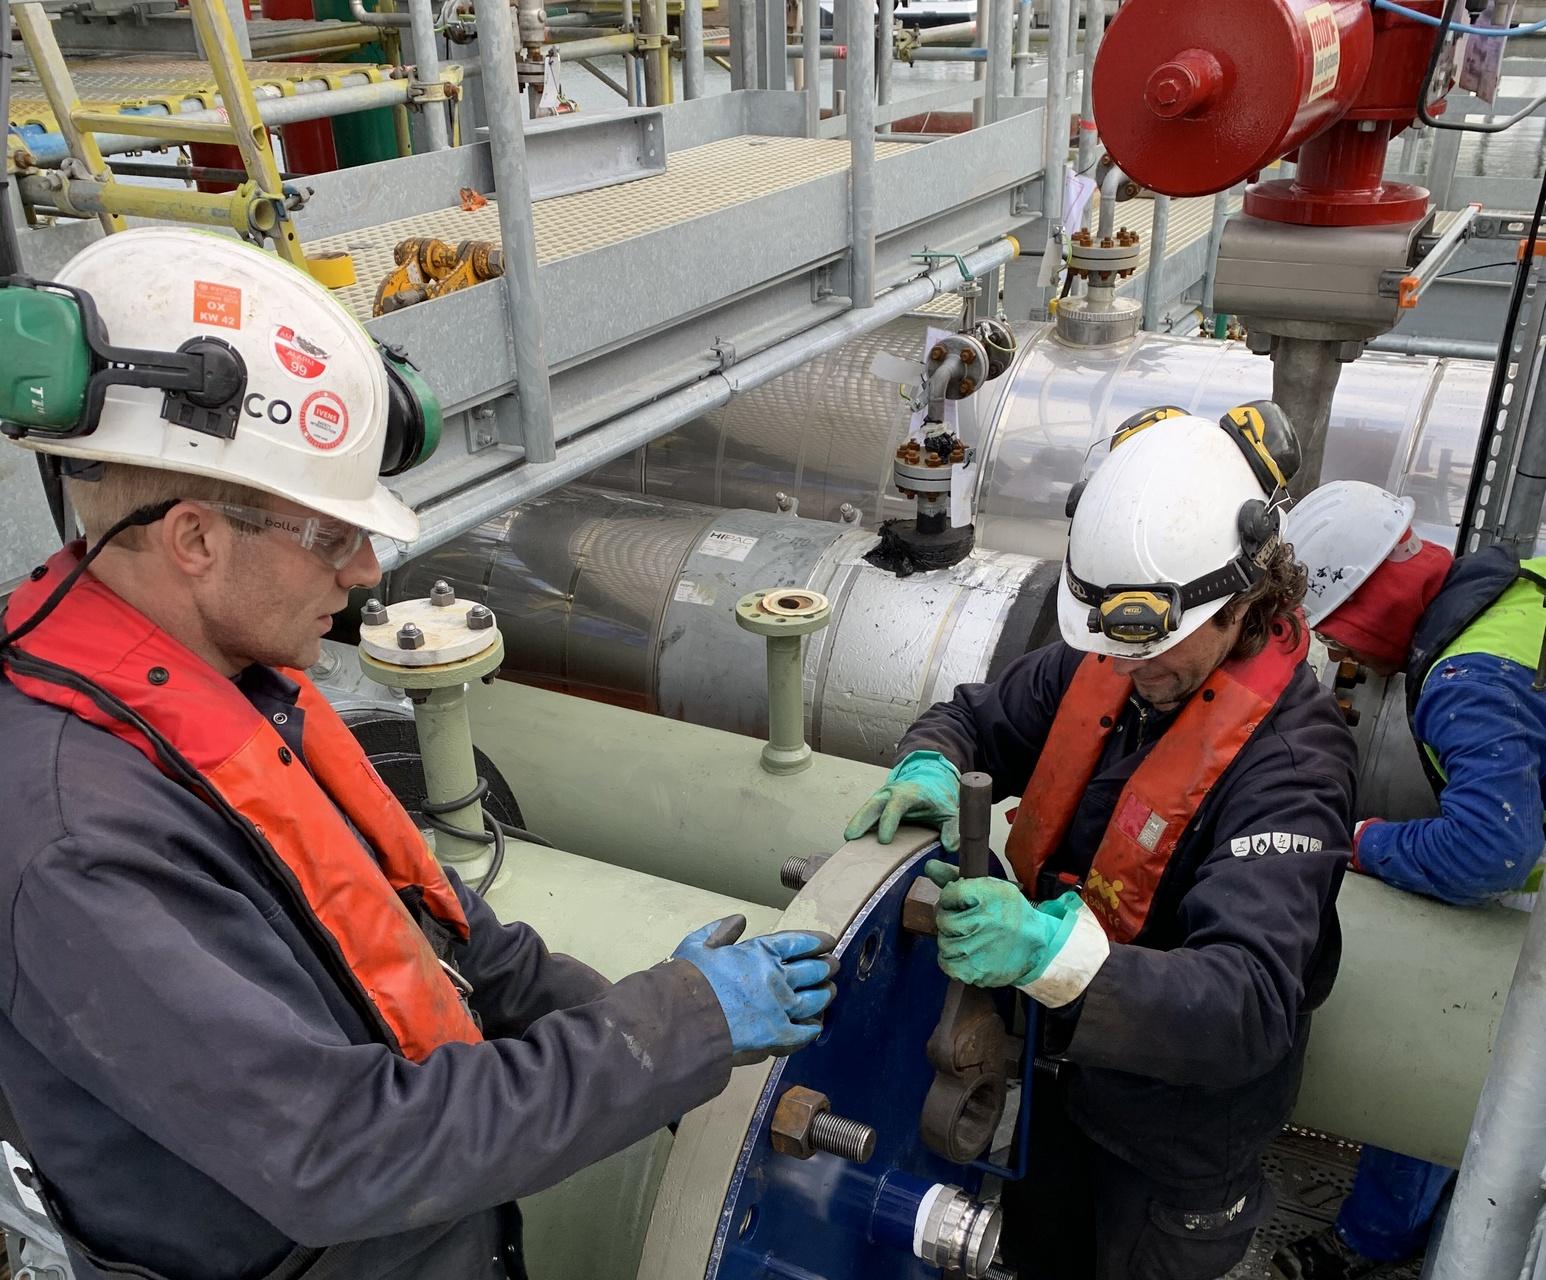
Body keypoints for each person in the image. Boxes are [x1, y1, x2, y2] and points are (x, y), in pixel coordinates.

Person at [0, 227, 839, 1280]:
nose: (364, 571)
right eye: (329, 534)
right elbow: (346, 1150)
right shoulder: (76, 844)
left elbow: (453, 939)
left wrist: (663, 1020)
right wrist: (672, 1028)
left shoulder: (228, 692)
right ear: (195, 539)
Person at [846, 405, 1358, 1280]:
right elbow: (976, 719)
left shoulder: (1293, 768)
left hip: (1172, 1147)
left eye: (1154, 651)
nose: (1126, 670)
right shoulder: (1118, 661)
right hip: (1060, 1087)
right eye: (1113, 651)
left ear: (1242, 600)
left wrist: (1051, 955)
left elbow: (1248, 1004)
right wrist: (930, 765)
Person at [1271, 479, 1546, 1280]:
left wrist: (1367, 843)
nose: (1346, 659)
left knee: (1450, 1040)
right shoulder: (1512, 590)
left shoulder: (1468, 679)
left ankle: (1379, 1243)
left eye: (1339, 637)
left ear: (1372, 600)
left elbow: (1487, 851)